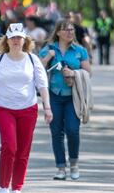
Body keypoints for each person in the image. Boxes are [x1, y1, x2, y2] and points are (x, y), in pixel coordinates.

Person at [0, 23, 51, 193]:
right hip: (4, 108)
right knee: (9, 147)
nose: (15, 41)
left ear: (24, 40)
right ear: (7, 40)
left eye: (19, 38)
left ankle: (17, 188)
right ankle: (3, 187)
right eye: (12, 38)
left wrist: (47, 107)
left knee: (23, 150)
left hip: (28, 109)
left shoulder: (32, 60)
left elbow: (42, 85)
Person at [39, 19, 92, 181]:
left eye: (72, 30)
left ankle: (74, 164)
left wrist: (74, 73)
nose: (70, 32)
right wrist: (49, 56)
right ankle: (60, 168)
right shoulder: (49, 49)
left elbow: (88, 72)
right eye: (66, 30)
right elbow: (38, 69)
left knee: (72, 130)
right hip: (54, 95)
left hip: (73, 96)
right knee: (56, 132)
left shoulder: (79, 50)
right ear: (58, 32)